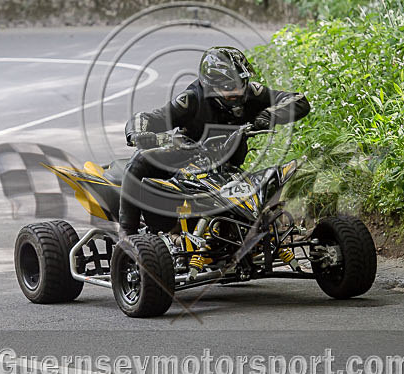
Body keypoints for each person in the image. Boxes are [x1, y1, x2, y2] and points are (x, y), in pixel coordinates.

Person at [119, 46, 310, 236]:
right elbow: (149, 117)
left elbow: (299, 100)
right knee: (140, 160)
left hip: (228, 163)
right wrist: (138, 134)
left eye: (241, 82)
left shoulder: (253, 93)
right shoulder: (192, 99)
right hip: (187, 156)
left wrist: (270, 114)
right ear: (209, 85)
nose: (237, 91)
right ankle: (127, 233)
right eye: (228, 87)